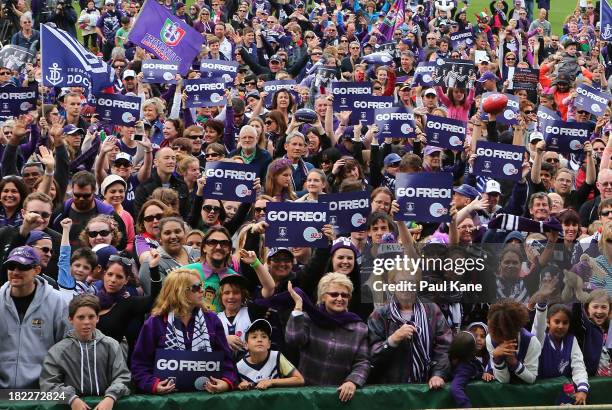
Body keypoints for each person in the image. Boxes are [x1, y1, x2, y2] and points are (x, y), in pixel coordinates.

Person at [131, 268, 238, 393]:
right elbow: (139, 365)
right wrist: (153, 385)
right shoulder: (155, 323)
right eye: (196, 287)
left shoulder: (212, 320)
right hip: (166, 401)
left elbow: (227, 362)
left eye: (201, 285)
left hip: (206, 397)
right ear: (180, 292)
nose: (202, 290)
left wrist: (226, 382)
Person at [286, 273, 369, 402]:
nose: (340, 298)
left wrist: (352, 381)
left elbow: (362, 362)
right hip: (306, 396)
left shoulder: (359, 328)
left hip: (338, 398)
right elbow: (293, 339)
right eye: (334, 294)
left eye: (345, 295)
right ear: (323, 297)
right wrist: (298, 306)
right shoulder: (309, 319)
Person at [40, 295, 131, 409]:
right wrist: (71, 399)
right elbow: (48, 384)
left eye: (91, 317)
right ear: (71, 319)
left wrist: (111, 397)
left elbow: (122, 376)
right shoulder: (58, 351)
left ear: (98, 318)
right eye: (81, 317)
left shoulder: (112, 345)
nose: (87, 322)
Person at [0, 246, 69, 388]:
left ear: (37, 270)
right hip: (2, 393)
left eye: (22, 267)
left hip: (42, 391)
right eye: (11, 267)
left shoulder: (57, 301)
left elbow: (67, 347)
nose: (15, 272)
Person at [236, 318, 305, 390]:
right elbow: (234, 387)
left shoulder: (276, 356)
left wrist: (271, 382)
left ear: (269, 344)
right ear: (246, 345)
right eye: (254, 337)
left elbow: (299, 379)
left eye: (264, 336)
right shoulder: (239, 367)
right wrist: (239, 385)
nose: (259, 340)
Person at [486, 299, 541, 384]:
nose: (490, 331)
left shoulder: (531, 341)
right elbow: (504, 380)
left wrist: (514, 362)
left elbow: (532, 379)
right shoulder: (489, 339)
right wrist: (497, 359)